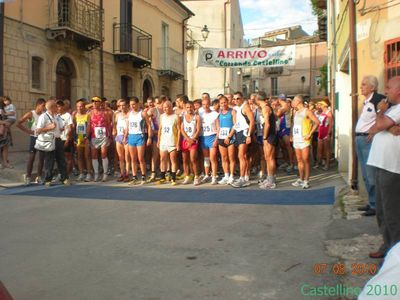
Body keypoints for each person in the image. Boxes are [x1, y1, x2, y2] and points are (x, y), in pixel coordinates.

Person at [367, 76, 400, 259]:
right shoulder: (392, 110)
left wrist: (381, 115)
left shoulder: (395, 109)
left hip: (392, 166)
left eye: (388, 87)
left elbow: (377, 124)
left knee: (392, 211)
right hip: (381, 164)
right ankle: (388, 244)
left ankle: (395, 253)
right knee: (381, 210)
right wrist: (388, 127)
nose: (385, 91)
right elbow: (373, 128)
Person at [355, 75, 386, 217]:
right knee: (365, 175)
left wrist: (375, 131)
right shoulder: (367, 101)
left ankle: (375, 205)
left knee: (371, 174)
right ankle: (371, 202)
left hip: (368, 140)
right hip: (360, 140)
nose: (361, 87)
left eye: (364, 84)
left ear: (372, 87)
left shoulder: (378, 99)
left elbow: (385, 116)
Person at [36, 99, 70, 186]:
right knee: (49, 160)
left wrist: (63, 128)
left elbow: (60, 127)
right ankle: (48, 179)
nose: (58, 108)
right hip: (49, 140)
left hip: (58, 139)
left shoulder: (56, 116)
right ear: (52, 108)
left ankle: (64, 178)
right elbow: (38, 130)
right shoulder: (43, 117)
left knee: (61, 159)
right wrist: (49, 128)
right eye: (56, 106)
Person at [291, 95, 320, 189]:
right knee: (299, 160)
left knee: (305, 159)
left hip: (304, 139)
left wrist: (310, 134)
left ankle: (306, 180)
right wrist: (291, 135)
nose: (292, 102)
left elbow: (317, 122)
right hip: (296, 138)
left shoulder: (306, 111)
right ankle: (301, 178)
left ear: (299, 101)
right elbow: (293, 124)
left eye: (294, 100)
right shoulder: (295, 111)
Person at [16, 98, 46, 185]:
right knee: (31, 158)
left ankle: (39, 177)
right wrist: (28, 131)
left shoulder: (44, 115)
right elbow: (18, 123)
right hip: (34, 138)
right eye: (43, 106)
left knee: (41, 158)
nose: (44, 107)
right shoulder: (31, 114)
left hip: (42, 138)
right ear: (38, 105)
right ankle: (28, 177)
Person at [231, 91, 254, 188]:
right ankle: (244, 177)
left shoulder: (245, 107)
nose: (236, 100)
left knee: (241, 156)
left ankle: (243, 178)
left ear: (242, 99)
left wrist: (249, 135)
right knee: (242, 156)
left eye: (238, 98)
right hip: (239, 132)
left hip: (245, 132)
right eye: (234, 99)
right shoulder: (237, 108)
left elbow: (252, 120)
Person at [127, 97, 152, 185]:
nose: (132, 106)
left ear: (137, 104)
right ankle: (134, 177)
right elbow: (128, 126)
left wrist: (149, 137)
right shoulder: (129, 114)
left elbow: (149, 126)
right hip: (131, 136)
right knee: (133, 158)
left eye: (133, 104)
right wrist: (125, 136)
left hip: (140, 136)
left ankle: (143, 176)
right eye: (130, 105)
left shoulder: (143, 113)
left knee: (140, 158)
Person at [87, 96, 113, 182]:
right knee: (94, 155)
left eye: (96, 101)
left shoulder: (105, 113)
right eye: (93, 101)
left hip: (104, 136)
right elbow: (89, 126)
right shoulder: (90, 113)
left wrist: (110, 136)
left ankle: (105, 174)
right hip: (94, 136)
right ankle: (96, 173)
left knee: (103, 154)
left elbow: (109, 124)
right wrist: (87, 137)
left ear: (100, 103)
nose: (94, 103)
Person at [157, 100, 180, 185]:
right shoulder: (162, 116)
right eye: (164, 107)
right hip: (163, 141)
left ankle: (173, 178)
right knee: (162, 159)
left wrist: (177, 142)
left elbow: (179, 130)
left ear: (171, 107)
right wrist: (159, 140)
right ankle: (162, 177)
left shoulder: (176, 116)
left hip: (172, 141)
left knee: (173, 160)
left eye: (167, 107)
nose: (165, 109)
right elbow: (160, 129)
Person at [258, 94, 278, 189]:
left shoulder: (265, 108)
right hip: (268, 134)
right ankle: (270, 177)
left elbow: (267, 124)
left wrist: (265, 136)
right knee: (267, 157)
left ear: (258, 99)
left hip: (269, 135)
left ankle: (271, 180)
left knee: (270, 158)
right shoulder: (265, 107)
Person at [199, 97, 220, 184]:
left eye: (207, 104)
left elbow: (219, 128)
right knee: (206, 158)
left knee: (213, 158)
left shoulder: (215, 114)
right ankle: (207, 175)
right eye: (204, 104)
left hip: (212, 136)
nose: (205, 106)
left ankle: (214, 176)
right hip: (204, 137)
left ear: (210, 104)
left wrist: (216, 139)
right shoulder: (200, 114)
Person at [180, 101, 201, 185]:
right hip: (185, 140)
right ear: (185, 108)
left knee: (193, 159)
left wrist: (192, 139)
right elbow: (182, 129)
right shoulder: (183, 117)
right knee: (185, 160)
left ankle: (196, 177)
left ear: (193, 107)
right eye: (187, 107)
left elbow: (198, 130)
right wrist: (187, 139)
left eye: (191, 107)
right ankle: (187, 176)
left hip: (193, 140)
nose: (189, 109)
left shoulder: (197, 117)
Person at [217, 95, 236, 185]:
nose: (223, 104)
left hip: (230, 137)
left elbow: (235, 125)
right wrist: (217, 138)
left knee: (231, 157)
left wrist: (229, 136)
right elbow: (218, 127)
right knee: (224, 158)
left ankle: (232, 176)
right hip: (221, 137)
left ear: (227, 102)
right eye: (221, 103)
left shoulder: (232, 112)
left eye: (225, 102)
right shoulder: (219, 113)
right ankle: (226, 175)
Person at [73, 99, 93, 182]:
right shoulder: (75, 115)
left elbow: (89, 126)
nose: (79, 108)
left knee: (87, 156)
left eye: (81, 106)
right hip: (78, 138)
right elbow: (74, 127)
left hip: (86, 138)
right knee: (79, 156)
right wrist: (74, 138)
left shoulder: (88, 115)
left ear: (84, 106)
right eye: (77, 106)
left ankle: (89, 173)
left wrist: (87, 137)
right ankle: (81, 173)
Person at [113, 99, 130, 182]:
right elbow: (115, 124)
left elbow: (129, 126)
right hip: (119, 136)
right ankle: (122, 173)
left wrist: (126, 135)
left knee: (127, 157)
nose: (122, 107)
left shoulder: (129, 114)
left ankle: (127, 174)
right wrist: (114, 131)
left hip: (127, 137)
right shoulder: (117, 114)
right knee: (121, 158)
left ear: (127, 105)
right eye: (120, 105)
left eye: (123, 105)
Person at [315, 100, 333, 170]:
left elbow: (331, 124)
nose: (320, 106)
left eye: (321, 104)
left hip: (326, 131)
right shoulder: (322, 112)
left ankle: (327, 164)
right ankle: (318, 163)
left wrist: (328, 134)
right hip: (320, 131)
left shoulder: (329, 113)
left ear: (325, 105)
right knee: (319, 149)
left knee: (326, 149)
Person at [57, 100, 74, 176]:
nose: (58, 108)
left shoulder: (68, 115)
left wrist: (67, 139)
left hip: (66, 139)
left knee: (68, 157)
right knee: (60, 157)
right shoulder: (56, 116)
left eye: (59, 106)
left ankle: (67, 174)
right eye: (56, 106)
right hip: (58, 139)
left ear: (63, 107)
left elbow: (70, 128)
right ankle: (61, 173)